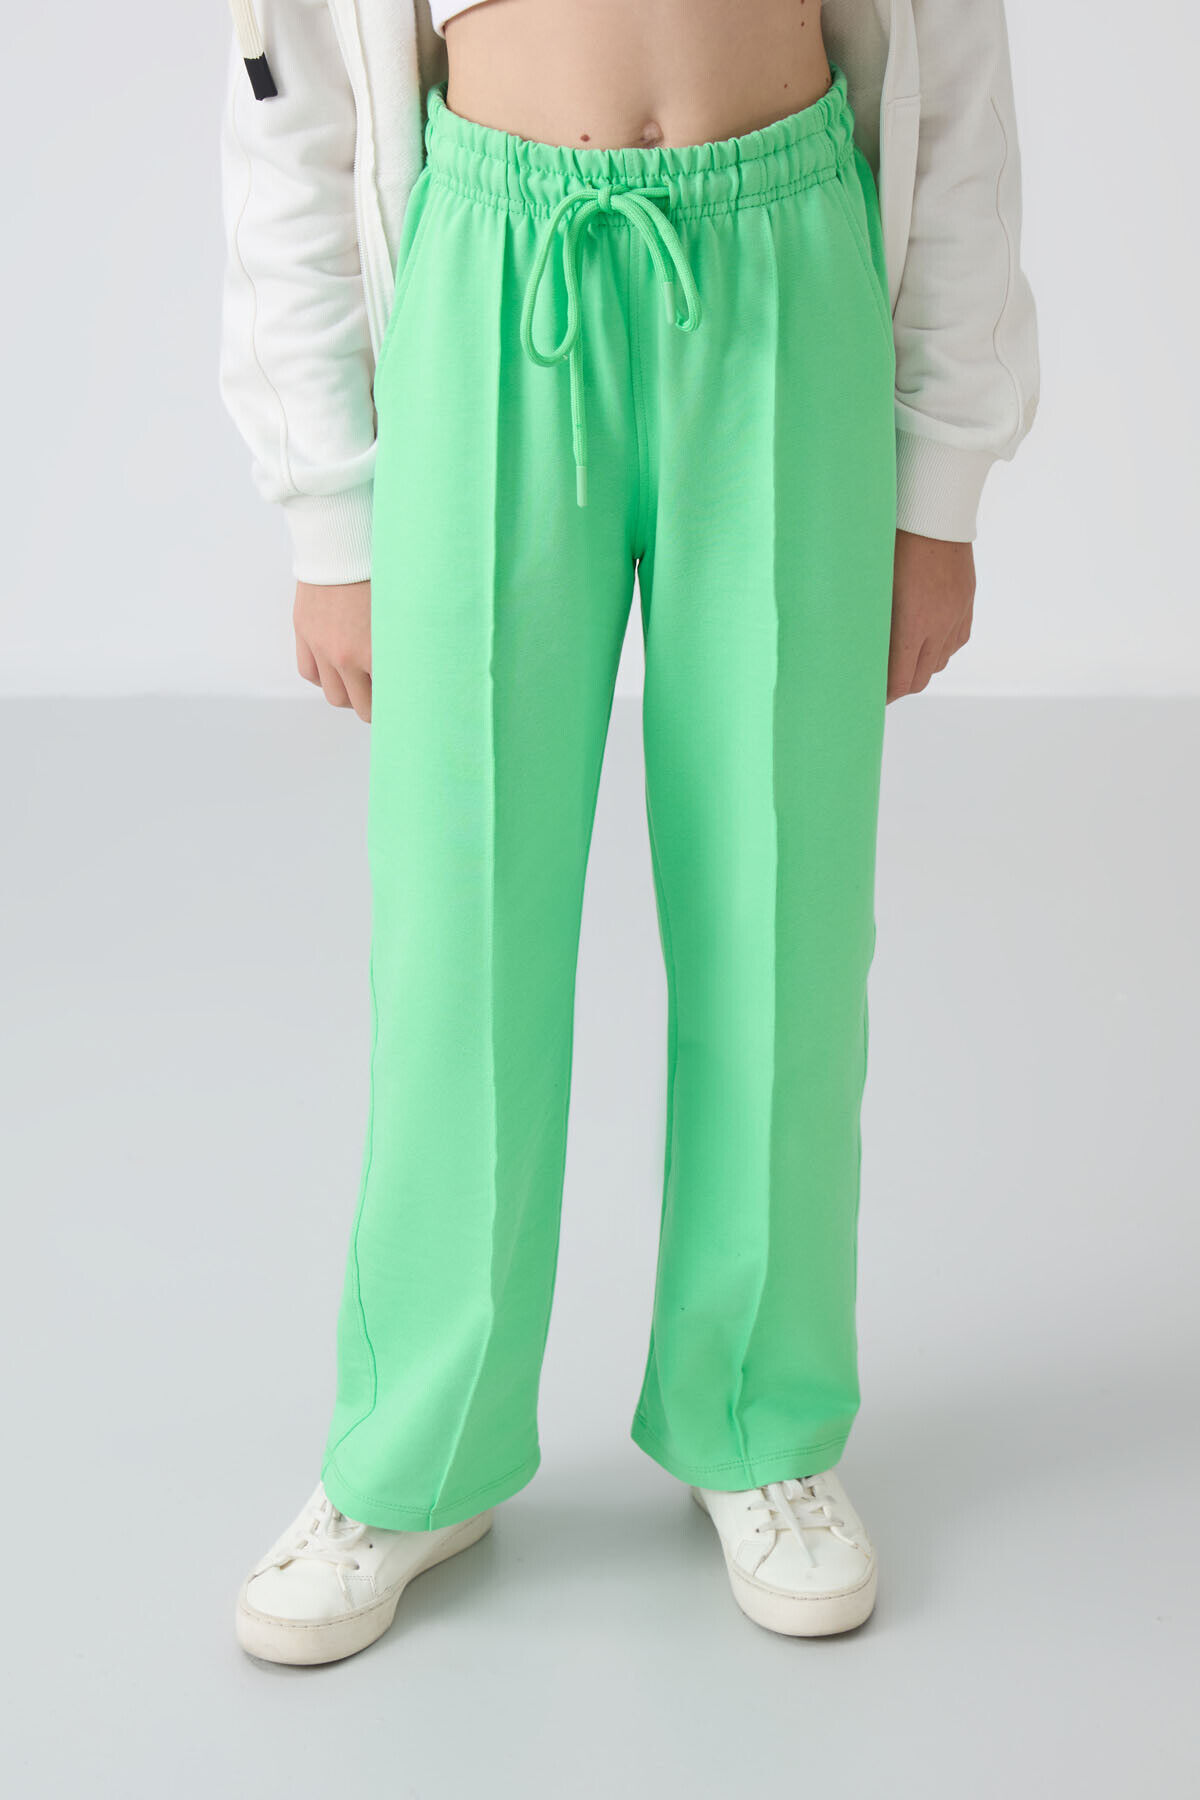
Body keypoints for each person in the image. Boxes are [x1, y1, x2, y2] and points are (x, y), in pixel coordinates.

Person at [219, 0, 1039, 1663]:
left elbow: (954, 64)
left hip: (788, 264)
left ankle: (760, 1413)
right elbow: (290, 86)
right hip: (490, 269)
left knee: (782, 907)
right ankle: (418, 1448)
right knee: (460, 924)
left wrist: (941, 480)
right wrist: (327, 502)